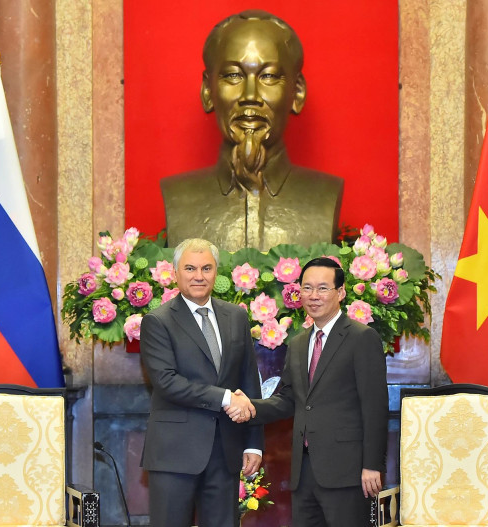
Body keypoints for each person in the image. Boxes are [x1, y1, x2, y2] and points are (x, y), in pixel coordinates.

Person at [161, 10, 343, 252]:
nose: (250, 96)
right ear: (208, 91)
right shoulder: (179, 197)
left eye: (268, 76)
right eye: (233, 75)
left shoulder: (325, 195)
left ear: (297, 93)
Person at [227, 257, 388, 527]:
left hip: (347, 471)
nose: (314, 296)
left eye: (323, 288)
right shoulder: (299, 342)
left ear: (341, 293)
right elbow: (289, 399)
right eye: (307, 288)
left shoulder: (361, 338)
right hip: (304, 471)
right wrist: (250, 406)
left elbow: (375, 407)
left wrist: (372, 465)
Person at [140, 238, 262, 527]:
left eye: (207, 268)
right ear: (175, 273)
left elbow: (248, 379)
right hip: (174, 454)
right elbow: (166, 381)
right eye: (190, 268)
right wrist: (225, 398)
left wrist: (254, 445)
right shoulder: (157, 321)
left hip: (226, 452)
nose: (199, 276)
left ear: (216, 272)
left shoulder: (236, 316)